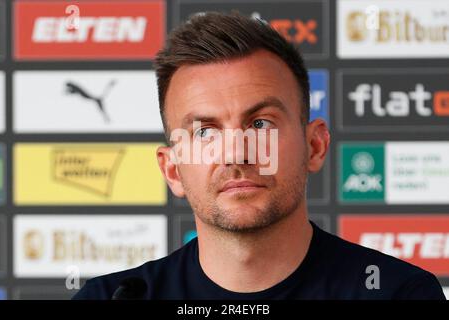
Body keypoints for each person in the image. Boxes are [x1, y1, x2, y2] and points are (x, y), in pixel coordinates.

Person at [72, 12, 445, 300]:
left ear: (315, 145)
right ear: (172, 170)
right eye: (205, 131)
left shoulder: (399, 293)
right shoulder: (113, 297)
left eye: (261, 124)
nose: (236, 153)